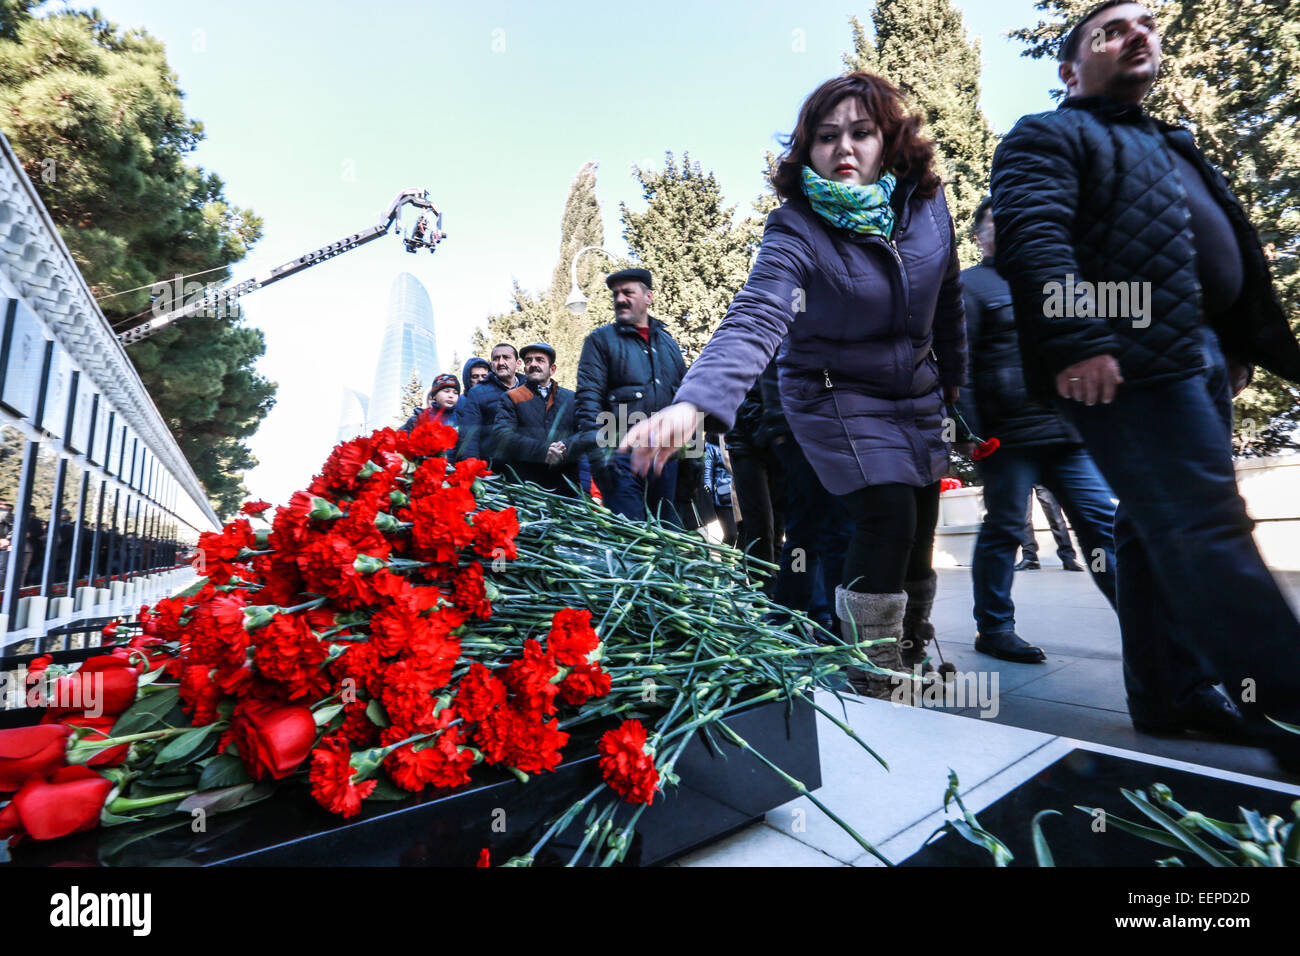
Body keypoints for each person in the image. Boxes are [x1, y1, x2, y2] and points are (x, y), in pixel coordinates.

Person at [990, 1, 1300, 756]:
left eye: (1146, 26)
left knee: (1148, 527)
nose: (1137, 35)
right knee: (1206, 526)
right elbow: (1034, 239)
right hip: (1126, 362)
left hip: (1190, 357)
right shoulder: (1048, 134)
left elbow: (1201, 252)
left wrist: (1233, 343)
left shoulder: (1168, 142)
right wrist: (1075, 339)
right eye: (1111, 30)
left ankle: (1171, 694)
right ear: (1069, 70)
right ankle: (1289, 708)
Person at [621, 72, 967, 699]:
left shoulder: (928, 206)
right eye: (827, 137)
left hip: (917, 395)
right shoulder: (795, 227)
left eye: (862, 133)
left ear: (889, 141)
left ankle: (910, 652)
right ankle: (873, 677)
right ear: (807, 151)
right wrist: (694, 402)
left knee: (918, 535)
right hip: (833, 395)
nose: (844, 149)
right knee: (885, 514)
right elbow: (755, 314)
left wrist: (956, 390)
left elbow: (949, 306)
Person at [959, 197, 1118, 664]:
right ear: (979, 236)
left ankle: (1147, 628)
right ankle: (994, 628)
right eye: (995, 224)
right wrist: (968, 432)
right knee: (1004, 528)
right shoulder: (969, 286)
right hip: (1007, 438)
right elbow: (959, 365)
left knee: (1103, 528)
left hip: (1069, 431)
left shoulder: (1055, 280)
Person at [575, 268, 687, 525]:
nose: (620, 299)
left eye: (628, 292)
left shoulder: (669, 345)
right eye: (616, 294)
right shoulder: (599, 341)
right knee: (632, 540)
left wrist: (692, 459)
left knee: (668, 540)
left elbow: (684, 400)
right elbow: (587, 400)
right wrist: (599, 458)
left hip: (665, 460)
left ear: (648, 297)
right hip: (620, 460)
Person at [490, 342, 592, 495]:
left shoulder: (571, 398)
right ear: (524, 368)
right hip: (528, 489)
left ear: (552, 369)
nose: (533, 364)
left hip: (567, 488)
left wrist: (565, 446)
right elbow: (502, 436)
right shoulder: (511, 398)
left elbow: (586, 432)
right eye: (528, 361)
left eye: (540, 360)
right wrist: (543, 451)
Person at [725, 359, 785, 591]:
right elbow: (743, 400)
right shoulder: (750, 348)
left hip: (778, 442)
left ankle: (780, 589)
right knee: (760, 525)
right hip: (748, 445)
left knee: (780, 524)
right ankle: (764, 592)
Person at [455, 343, 523, 467]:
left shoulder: (531, 387)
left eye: (506, 357)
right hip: (496, 472)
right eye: (496, 359)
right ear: (492, 365)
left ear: (518, 363)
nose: (501, 362)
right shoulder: (477, 393)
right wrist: (472, 470)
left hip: (530, 471)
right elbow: (470, 437)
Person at [1017, 484, 1084, 571]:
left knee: (1054, 515)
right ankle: (1029, 557)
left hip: (1042, 474)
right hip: (1019, 473)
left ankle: (1068, 557)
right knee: (1023, 517)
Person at [701, 438, 738, 546]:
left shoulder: (740, 438)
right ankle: (725, 562)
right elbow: (708, 472)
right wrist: (709, 497)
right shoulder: (712, 442)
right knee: (731, 535)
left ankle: (740, 562)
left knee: (744, 535)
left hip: (741, 496)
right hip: (723, 498)